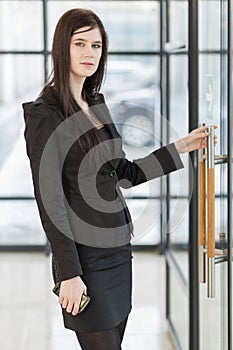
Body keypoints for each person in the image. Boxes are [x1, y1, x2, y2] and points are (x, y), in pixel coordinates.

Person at [22, 8, 215, 350]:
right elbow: (50, 199)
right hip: (85, 259)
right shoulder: (45, 113)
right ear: (61, 47)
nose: (89, 53)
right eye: (79, 43)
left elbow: (124, 173)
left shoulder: (95, 103)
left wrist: (182, 145)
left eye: (96, 46)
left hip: (117, 252)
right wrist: (69, 274)